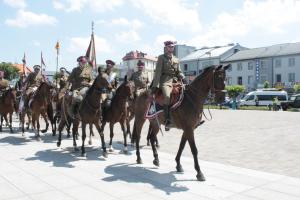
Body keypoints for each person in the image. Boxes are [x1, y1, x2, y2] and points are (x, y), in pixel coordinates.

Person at [151, 41, 185, 131]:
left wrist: (183, 76)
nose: (171, 48)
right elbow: (158, 72)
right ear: (166, 48)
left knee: (186, 93)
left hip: (175, 81)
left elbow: (179, 71)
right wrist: (155, 85)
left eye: (172, 47)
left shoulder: (176, 59)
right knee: (167, 96)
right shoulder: (161, 58)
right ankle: (167, 119)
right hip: (165, 81)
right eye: (169, 47)